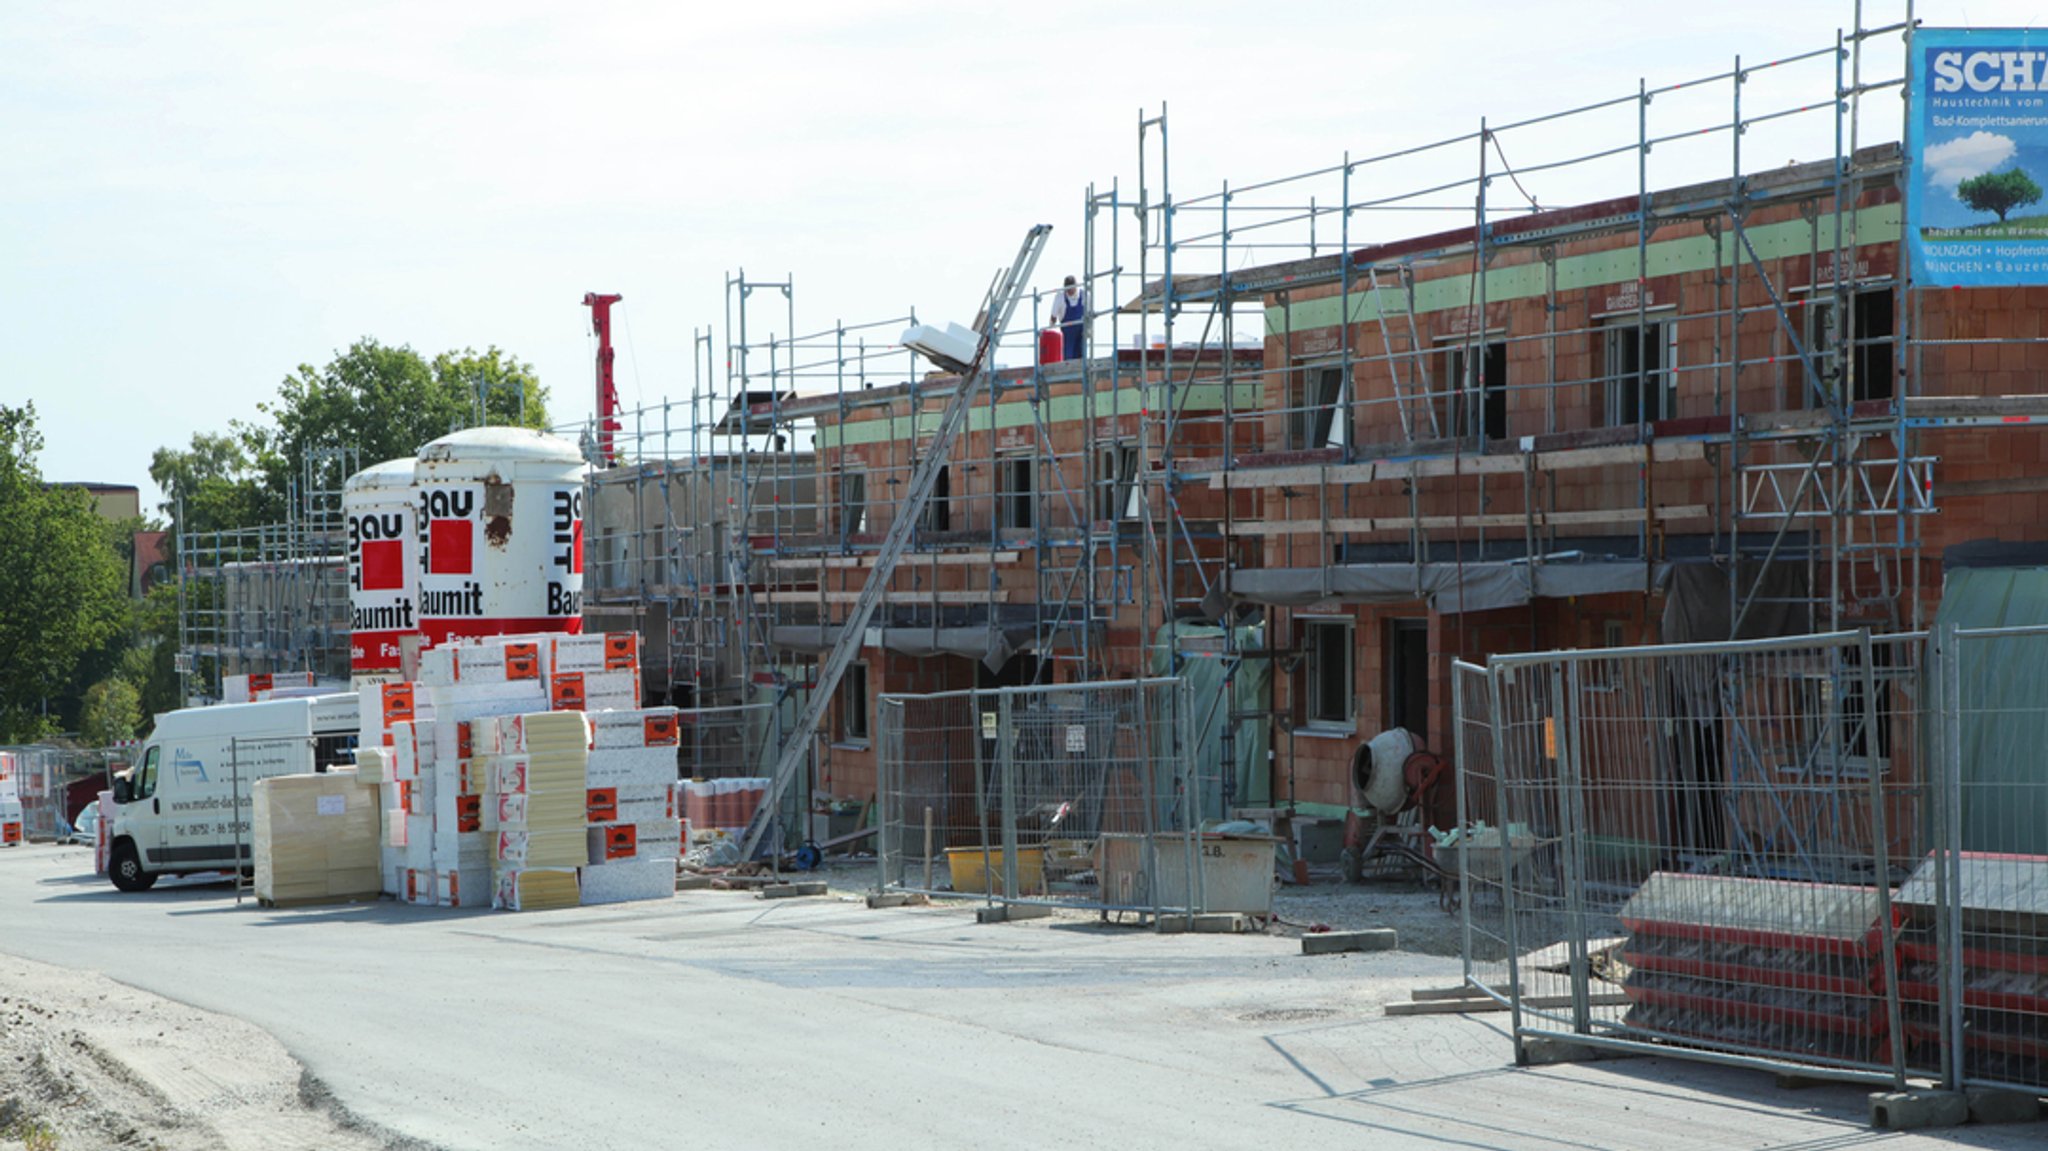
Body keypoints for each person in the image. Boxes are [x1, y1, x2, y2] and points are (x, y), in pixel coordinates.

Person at [1053, 275, 1087, 362]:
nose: (1069, 291)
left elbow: (1090, 315)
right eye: (1067, 289)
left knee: (1082, 358)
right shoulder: (1060, 297)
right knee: (1067, 360)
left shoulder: (1084, 295)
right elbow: (1053, 317)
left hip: (1081, 334)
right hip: (1067, 336)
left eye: (1071, 288)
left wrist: (1090, 330)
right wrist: (1051, 331)